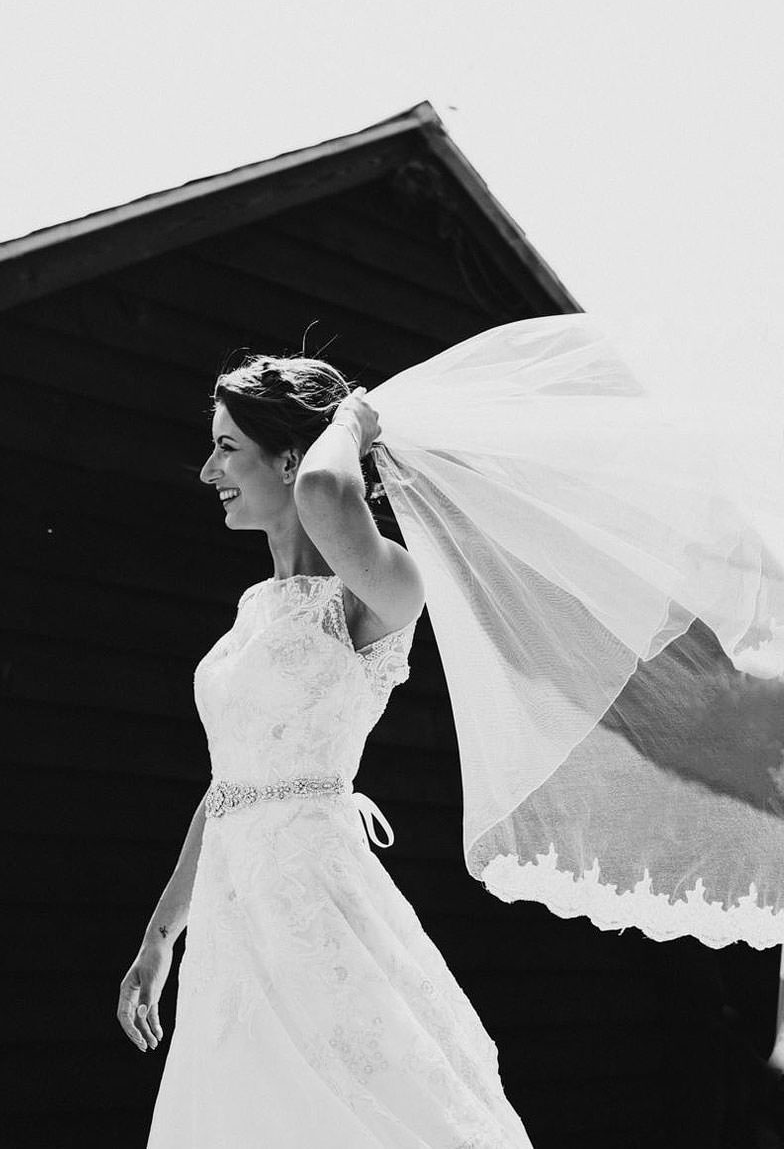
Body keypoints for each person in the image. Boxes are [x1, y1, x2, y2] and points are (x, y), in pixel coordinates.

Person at [119, 353, 535, 1147]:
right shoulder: (252, 612)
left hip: (316, 910)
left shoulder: (377, 596)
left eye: (227, 447)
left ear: (288, 457)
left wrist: (351, 421)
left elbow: (324, 494)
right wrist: (161, 933)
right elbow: (231, 784)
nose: (207, 470)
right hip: (233, 926)